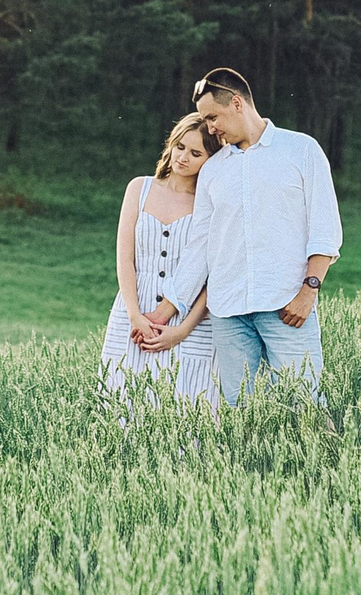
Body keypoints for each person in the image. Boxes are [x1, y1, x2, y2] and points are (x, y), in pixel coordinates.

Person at [139, 66, 340, 407]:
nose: (210, 128)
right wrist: (164, 311)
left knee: (307, 406)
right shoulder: (214, 170)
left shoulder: (301, 150)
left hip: (286, 307)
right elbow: (200, 247)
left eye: (213, 117)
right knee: (239, 416)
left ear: (237, 103)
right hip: (228, 314)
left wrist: (309, 291)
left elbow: (326, 229)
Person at [100, 113, 219, 401]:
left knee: (186, 409)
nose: (183, 158)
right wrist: (134, 315)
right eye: (180, 147)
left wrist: (181, 330)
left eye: (195, 153)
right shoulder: (139, 188)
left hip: (191, 322)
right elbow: (125, 258)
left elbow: (213, 276)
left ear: (210, 158)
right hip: (133, 311)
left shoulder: (211, 203)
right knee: (123, 402)